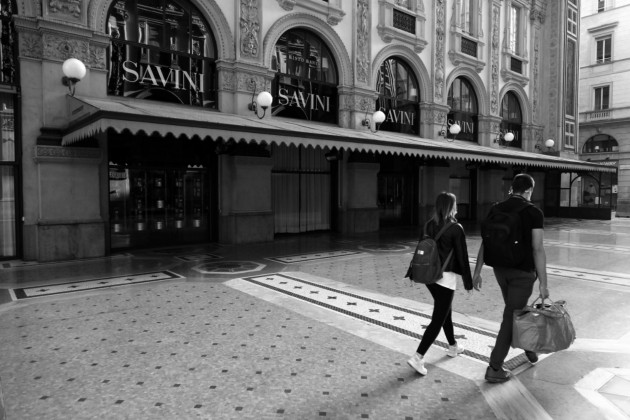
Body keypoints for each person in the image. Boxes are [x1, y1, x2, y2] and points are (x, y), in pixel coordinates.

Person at [473, 173, 550, 383]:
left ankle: (529, 350)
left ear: (513, 188)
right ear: (528, 190)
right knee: (511, 315)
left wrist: (477, 271)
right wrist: (543, 283)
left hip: (500, 270)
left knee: (516, 311)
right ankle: (494, 368)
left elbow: (485, 242)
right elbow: (538, 248)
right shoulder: (534, 212)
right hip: (522, 274)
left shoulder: (496, 208)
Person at [407, 192, 475, 376]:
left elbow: (421, 249)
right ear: (451, 206)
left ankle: (453, 346)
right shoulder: (455, 227)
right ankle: (418, 357)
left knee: (445, 312)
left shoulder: (429, 224)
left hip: (429, 277)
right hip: (445, 279)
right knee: (438, 319)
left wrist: (413, 271)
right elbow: (462, 257)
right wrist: (468, 282)